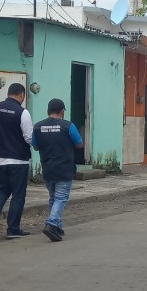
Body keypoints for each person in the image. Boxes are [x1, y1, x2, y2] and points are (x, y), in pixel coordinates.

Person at [0, 83, 33, 239]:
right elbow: (29, 137)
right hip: (18, 161)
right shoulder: (23, 113)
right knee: (18, 195)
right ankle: (13, 229)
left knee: (2, 190)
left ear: (8, 93)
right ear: (22, 94)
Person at [32, 99, 83, 242]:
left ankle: (58, 227)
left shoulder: (37, 127)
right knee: (61, 198)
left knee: (53, 198)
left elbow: (35, 146)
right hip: (64, 168)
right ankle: (52, 223)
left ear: (48, 111)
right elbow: (79, 144)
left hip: (47, 168)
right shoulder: (68, 126)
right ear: (62, 111)